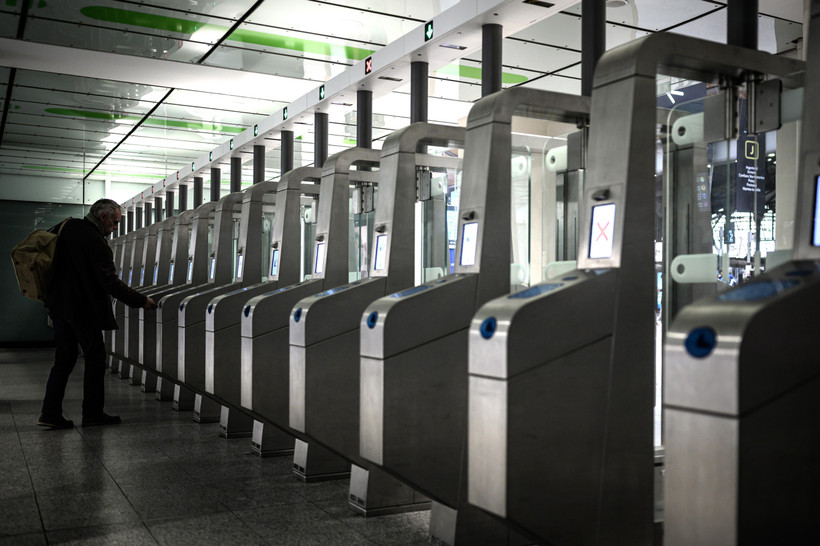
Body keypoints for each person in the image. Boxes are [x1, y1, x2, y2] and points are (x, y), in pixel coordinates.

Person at [38, 199, 157, 428]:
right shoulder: (96, 241)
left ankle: (49, 412)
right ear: (103, 217)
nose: (115, 228)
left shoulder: (69, 227)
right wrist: (141, 301)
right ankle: (92, 413)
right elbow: (109, 282)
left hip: (58, 305)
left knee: (64, 359)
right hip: (81, 309)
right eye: (114, 222)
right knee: (95, 358)